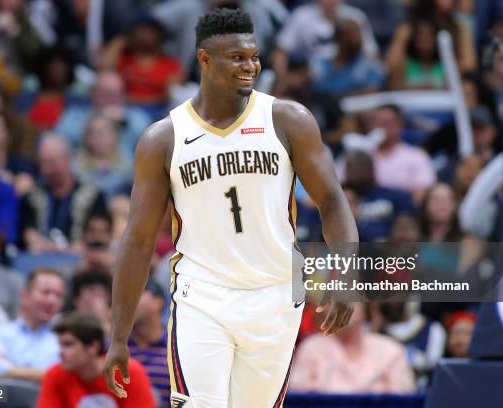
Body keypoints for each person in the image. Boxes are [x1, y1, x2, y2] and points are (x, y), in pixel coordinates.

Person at [104, 8, 357, 407]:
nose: (251, 65)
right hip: (202, 295)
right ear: (204, 59)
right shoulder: (163, 139)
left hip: (275, 293)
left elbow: (333, 203)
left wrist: (343, 277)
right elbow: (137, 239)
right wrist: (119, 335)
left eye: (254, 56)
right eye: (238, 57)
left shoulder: (287, 120)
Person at [289, 303, 415, 393]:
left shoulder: (391, 351)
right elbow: (299, 398)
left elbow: (404, 400)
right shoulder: (311, 348)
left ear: (367, 308)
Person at [37, 312, 155, 408]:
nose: (60, 352)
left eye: (68, 344)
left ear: (93, 347)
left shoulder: (129, 373)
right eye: (60, 344)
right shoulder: (55, 375)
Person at [19, 135, 108, 252]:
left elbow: (100, 231)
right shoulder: (31, 197)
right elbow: (28, 232)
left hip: (80, 257)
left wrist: (75, 247)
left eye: (53, 162)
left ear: (69, 159)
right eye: (43, 163)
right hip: (41, 257)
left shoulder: (93, 195)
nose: (49, 169)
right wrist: (44, 245)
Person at [0, 268, 65, 382]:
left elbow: (67, 377)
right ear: (25, 296)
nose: (52, 300)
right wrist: (48, 375)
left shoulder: (64, 338)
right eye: (45, 292)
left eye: (58, 295)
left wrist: (12, 369)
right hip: (4, 398)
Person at [128, 280, 171, 406]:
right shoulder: (113, 346)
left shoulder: (177, 347)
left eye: (136, 294)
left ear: (158, 302)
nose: (126, 302)